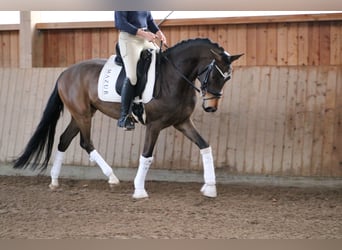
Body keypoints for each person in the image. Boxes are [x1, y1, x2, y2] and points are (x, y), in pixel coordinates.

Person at [114, 11, 167, 130]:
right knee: (132, 76)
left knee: (163, 60)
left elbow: (149, 20)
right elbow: (120, 23)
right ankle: (124, 117)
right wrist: (143, 33)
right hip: (129, 40)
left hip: (144, 39)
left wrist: (159, 32)